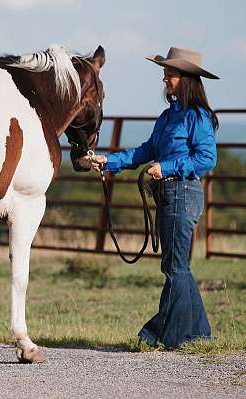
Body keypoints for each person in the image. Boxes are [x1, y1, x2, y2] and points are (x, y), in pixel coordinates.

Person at [90, 47, 219, 349]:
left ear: (186, 79)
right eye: (165, 73)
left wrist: (169, 167)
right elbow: (146, 151)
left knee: (174, 267)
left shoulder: (197, 117)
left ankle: (159, 334)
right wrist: (109, 161)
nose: (165, 78)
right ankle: (198, 334)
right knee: (177, 267)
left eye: (170, 74)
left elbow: (206, 158)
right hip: (169, 194)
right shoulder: (168, 117)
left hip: (182, 192)